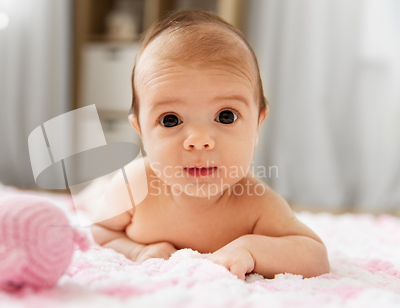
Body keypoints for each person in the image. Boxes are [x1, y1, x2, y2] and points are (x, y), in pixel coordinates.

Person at [82, 9, 330, 280]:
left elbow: (315, 255)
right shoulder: (134, 187)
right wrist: (137, 251)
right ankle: (94, 191)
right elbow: (101, 231)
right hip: (112, 190)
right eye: (170, 120)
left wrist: (251, 248)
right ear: (141, 131)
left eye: (226, 116)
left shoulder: (257, 204)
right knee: (97, 199)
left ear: (257, 125)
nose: (199, 140)